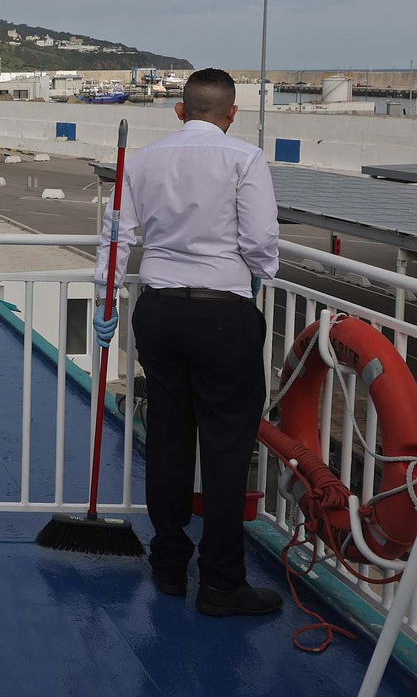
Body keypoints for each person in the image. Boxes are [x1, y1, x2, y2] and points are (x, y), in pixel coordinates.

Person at [92, 67, 282, 617]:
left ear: (180, 110)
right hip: (224, 313)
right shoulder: (245, 158)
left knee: (170, 438)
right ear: (232, 113)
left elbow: (116, 236)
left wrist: (106, 305)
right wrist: (253, 274)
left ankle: (170, 564)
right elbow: (262, 242)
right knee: (225, 450)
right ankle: (222, 582)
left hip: (159, 312)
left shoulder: (144, 159)